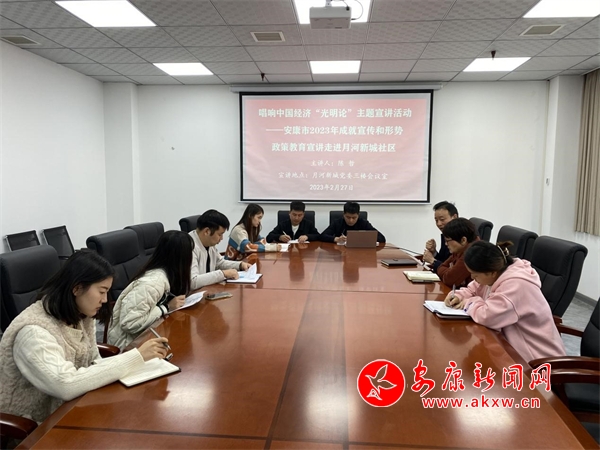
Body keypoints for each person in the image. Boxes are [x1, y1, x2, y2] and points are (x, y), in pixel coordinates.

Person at [0, 250, 169, 424]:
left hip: (73, 406)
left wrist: (140, 362)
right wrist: (136, 357)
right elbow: (65, 384)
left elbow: (94, 361)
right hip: (35, 425)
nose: (105, 300)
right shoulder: (33, 333)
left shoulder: (80, 315)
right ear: (77, 288)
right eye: (102, 291)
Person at [445, 241, 566, 362]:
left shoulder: (516, 284)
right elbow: (472, 289)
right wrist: (458, 295)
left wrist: (469, 302)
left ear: (492, 272)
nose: (472, 278)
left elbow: (487, 316)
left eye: (475, 275)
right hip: (511, 347)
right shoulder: (494, 273)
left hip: (537, 360)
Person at [108, 230, 192, 349]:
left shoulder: (165, 276)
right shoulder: (153, 283)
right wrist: (166, 307)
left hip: (149, 335)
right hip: (128, 346)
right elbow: (130, 323)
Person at [189, 209, 251, 289]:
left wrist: (240, 265)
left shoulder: (208, 243)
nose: (221, 238)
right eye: (220, 234)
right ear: (207, 231)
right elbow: (193, 281)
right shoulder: (188, 246)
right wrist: (223, 274)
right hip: (193, 294)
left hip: (208, 290)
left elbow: (219, 263)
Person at [436, 218, 478, 288]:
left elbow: (449, 280)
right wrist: (450, 271)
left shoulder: (472, 253)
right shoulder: (460, 249)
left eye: (448, 241)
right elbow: (441, 267)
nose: (446, 244)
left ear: (463, 240)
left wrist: (450, 272)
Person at [320, 201, 386, 244]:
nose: (351, 220)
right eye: (348, 217)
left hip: (359, 253)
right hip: (340, 253)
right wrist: (336, 239)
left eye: (354, 218)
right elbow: (322, 236)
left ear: (358, 215)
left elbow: (382, 238)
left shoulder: (363, 223)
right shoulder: (337, 223)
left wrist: (362, 238)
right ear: (344, 214)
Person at [422, 201, 459, 272]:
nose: (439, 224)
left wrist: (432, 261)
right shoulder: (446, 235)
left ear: (454, 217)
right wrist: (434, 252)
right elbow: (444, 261)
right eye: (436, 220)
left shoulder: (459, 238)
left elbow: (451, 270)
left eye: (442, 219)